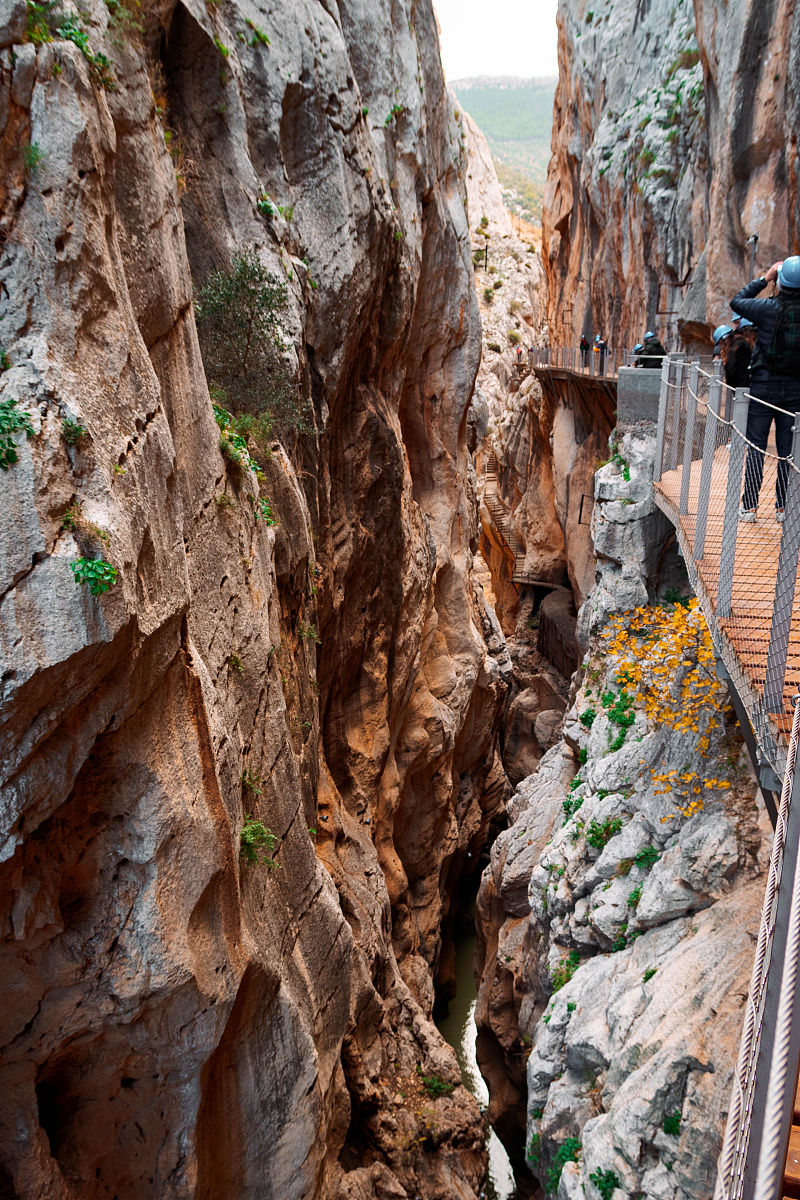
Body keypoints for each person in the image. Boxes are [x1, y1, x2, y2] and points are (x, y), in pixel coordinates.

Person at [731, 256, 800, 522]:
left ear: (780, 281)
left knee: (756, 446)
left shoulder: (767, 308)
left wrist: (766, 277)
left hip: (763, 386)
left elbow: (737, 301)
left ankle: (749, 507)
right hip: (795, 390)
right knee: (789, 451)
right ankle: (783, 507)